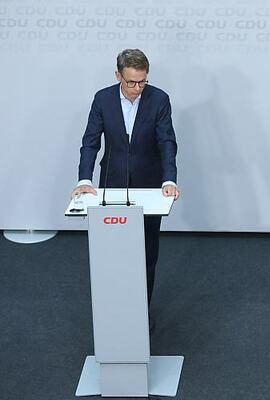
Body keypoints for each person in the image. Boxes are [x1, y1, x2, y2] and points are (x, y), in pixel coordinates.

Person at [71, 49, 180, 331]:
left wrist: (169, 180)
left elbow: (166, 142)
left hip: (150, 185)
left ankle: (140, 314)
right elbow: (90, 142)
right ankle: (115, 313)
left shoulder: (159, 99)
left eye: (142, 82)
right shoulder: (103, 99)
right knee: (114, 252)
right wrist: (85, 180)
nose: (137, 88)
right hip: (113, 184)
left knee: (146, 253)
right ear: (118, 75)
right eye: (131, 82)